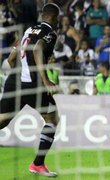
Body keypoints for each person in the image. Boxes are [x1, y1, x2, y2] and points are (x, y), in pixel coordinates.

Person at [0, 3, 60, 177]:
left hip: (14, 80)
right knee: (52, 118)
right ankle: (38, 164)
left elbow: (11, 59)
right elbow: (38, 49)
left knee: (3, 120)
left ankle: (38, 164)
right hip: (32, 83)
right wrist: (46, 79)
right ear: (54, 18)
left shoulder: (28, 30)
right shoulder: (50, 33)